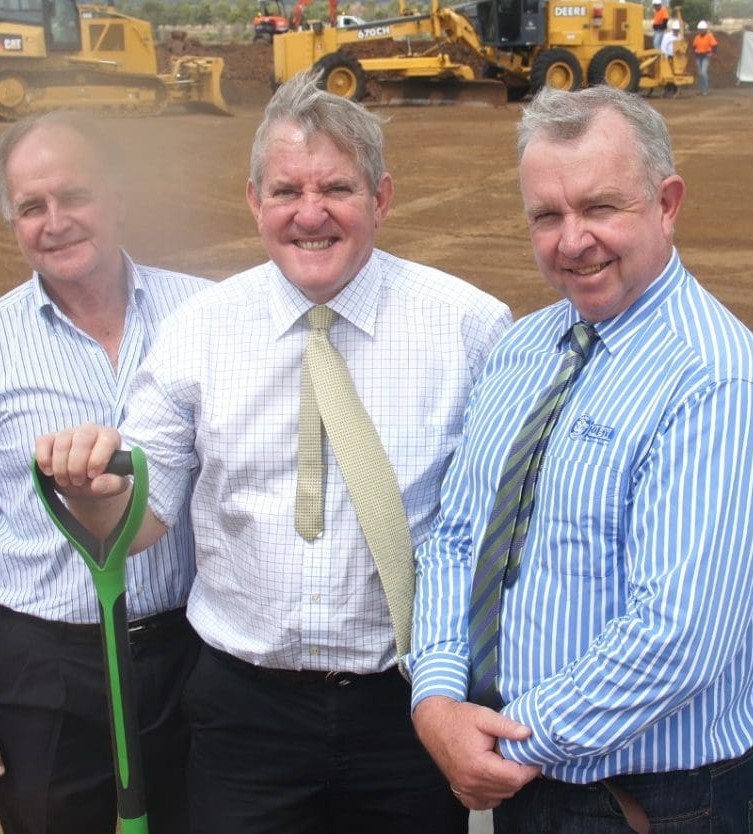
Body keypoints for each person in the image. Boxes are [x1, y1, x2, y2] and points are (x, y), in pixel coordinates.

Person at [36, 72, 513, 834]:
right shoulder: (199, 330)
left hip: (410, 707)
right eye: (286, 190)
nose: (310, 213)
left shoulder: (472, 331)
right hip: (243, 715)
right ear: (254, 201)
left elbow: (506, 528)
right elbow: (142, 514)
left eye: (337, 188)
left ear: (381, 199)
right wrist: (87, 485)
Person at [408, 86, 753, 833]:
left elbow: (678, 634)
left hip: (651, 801)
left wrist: (513, 741)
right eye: (547, 216)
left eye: (599, 208)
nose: (571, 240)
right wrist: (435, 696)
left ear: (667, 203)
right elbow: (459, 534)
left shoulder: (716, 383)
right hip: (521, 773)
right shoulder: (524, 347)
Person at [0, 111, 211, 834]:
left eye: (74, 196)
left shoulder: (204, 314)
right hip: (47, 668)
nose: (54, 222)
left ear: (117, 199)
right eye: (31, 207)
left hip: (194, 653)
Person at [692, 19, 719, 95]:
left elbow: (715, 45)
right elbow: (694, 46)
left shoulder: (709, 36)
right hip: (698, 56)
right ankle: (702, 89)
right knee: (700, 73)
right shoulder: (697, 37)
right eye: (699, 30)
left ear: (705, 29)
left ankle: (705, 89)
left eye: (701, 30)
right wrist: (695, 51)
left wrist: (712, 53)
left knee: (703, 72)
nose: (700, 31)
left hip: (705, 56)